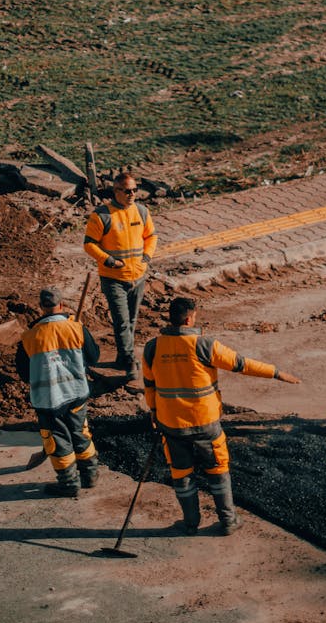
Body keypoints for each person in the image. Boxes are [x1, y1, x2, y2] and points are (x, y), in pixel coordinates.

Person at [142, 296, 300, 536]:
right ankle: (228, 521)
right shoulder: (203, 345)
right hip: (204, 421)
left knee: (181, 473)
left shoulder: (153, 347)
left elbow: (149, 384)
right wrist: (276, 373)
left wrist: (153, 411)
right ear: (189, 318)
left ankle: (190, 523)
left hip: (171, 423)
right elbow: (241, 363)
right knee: (217, 468)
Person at [15, 286, 101, 497]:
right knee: (81, 432)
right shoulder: (76, 328)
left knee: (58, 440)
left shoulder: (29, 337)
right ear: (61, 304)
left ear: (40, 307)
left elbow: (24, 374)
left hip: (49, 400)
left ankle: (69, 483)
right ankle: (90, 475)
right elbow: (94, 356)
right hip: (77, 393)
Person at [83, 169, 157, 381]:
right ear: (115, 191)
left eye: (134, 190)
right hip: (113, 278)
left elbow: (151, 236)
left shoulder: (141, 212)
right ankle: (128, 359)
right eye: (127, 191)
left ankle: (121, 356)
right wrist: (108, 260)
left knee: (131, 320)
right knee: (122, 321)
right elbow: (89, 244)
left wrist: (147, 257)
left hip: (138, 276)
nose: (132, 194)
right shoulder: (102, 215)